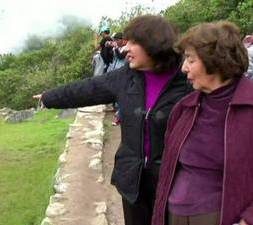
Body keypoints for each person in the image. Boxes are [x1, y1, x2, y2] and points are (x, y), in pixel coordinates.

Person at [33, 15, 192, 225]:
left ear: (154, 45)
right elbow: (89, 89)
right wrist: (50, 97)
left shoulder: (188, 80)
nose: (126, 49)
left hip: (173, 183)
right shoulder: (126, 76)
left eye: (134, 43)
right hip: (132, 181)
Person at [152, 21, 253, 225]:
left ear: (215, 60)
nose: (183, 68)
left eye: (190, 59)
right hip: (173, 217)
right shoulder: (184, 108)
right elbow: (168, 170)